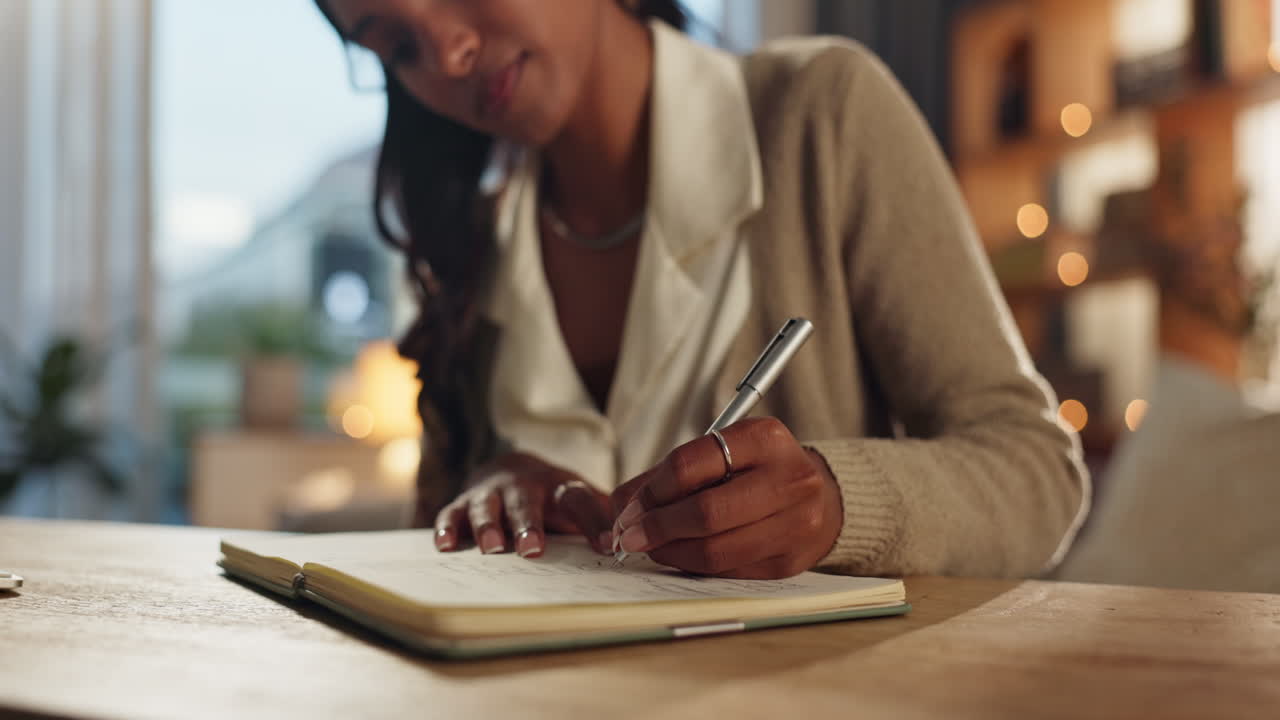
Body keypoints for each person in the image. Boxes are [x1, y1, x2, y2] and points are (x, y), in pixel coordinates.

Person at [313, 0, 1090, 579]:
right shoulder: (467, 240)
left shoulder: (824, 114)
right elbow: (427, 572)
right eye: (394, 44)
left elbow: (1038, 473)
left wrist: (834, 505)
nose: (447, 52)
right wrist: (483, 490)